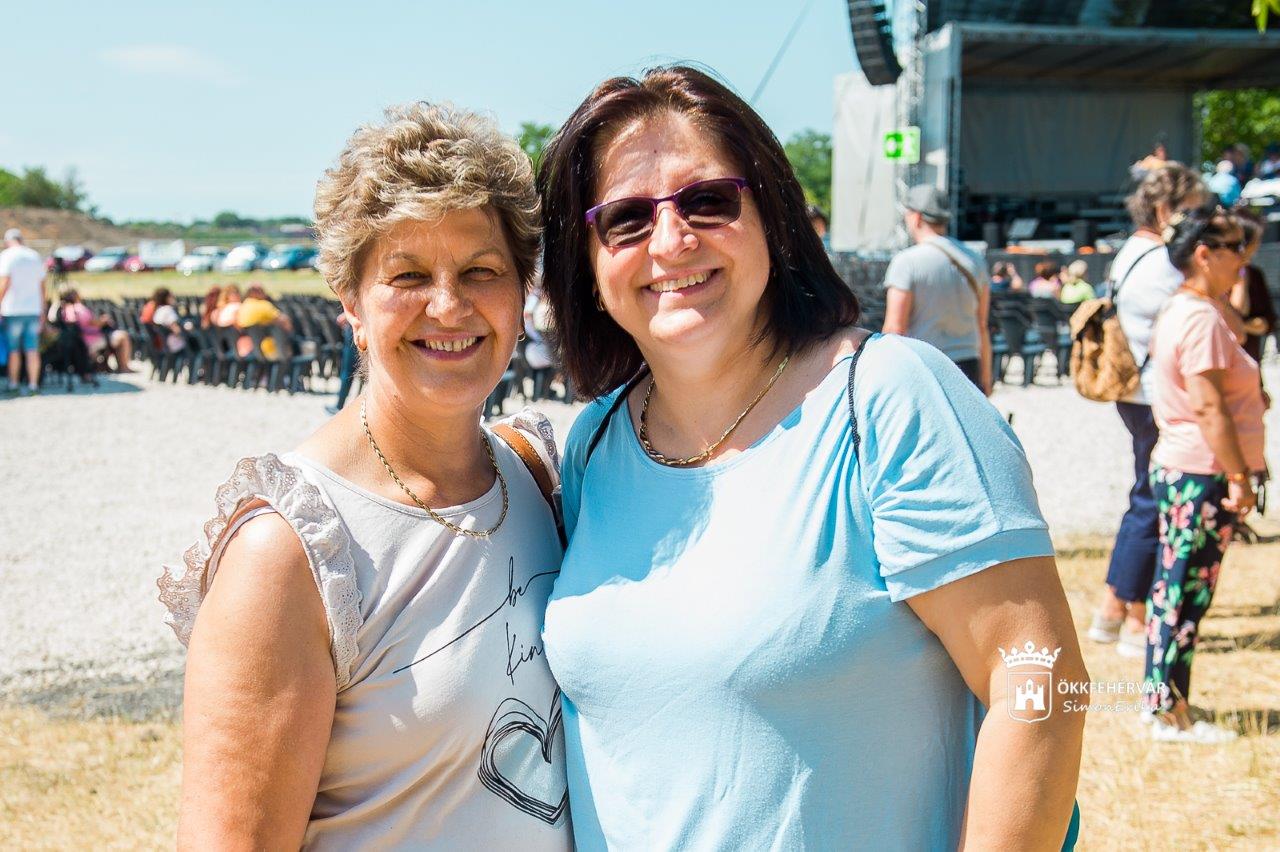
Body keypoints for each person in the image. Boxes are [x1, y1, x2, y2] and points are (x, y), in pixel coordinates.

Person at [537, 65, 1085, 850]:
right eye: (625, 219)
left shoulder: (888, 396)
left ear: (774, 218)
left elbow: (1041, 677)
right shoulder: (595, 444)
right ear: (587, 268)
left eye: (708, 200)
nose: (672, 240)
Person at [158, 102, 571, 848]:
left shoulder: (537, 475)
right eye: (408, 275)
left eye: (480, 271)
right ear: (351, 301)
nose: (448, 305)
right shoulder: (294, 552)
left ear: (521, 295)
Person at [1144, 205, 1267, 743]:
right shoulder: (1198, 318)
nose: (1242, 259)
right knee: (1183, 592)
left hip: (1188, 466)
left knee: (1177, 588)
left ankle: (1165, 702)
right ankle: (1166, 710)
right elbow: (1209, 407)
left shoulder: (1192, 309)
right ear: (1203, 255)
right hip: (1201, 471)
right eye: (1234, 248)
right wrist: (1238, 475)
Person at [1088, 163, 1207, 656]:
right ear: (1164, 210)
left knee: (1145, 496)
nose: (1200, 223)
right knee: (1155, 502)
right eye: (1192, 211)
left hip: (1138, 394)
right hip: (1157, 397)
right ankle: (1133, 615)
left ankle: (1114, 608)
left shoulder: (1131, 253)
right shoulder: (1161, 262)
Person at [881, 184, 992, 394]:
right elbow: (982, 324)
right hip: (969, 367)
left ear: (916, 217)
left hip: (925, 367)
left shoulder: (906, 262)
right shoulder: (975, 260)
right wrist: (986, 376)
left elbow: (895, 329)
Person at [1, 228, 48, 395]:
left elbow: (4, 283)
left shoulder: (7, 256)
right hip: (33, 309)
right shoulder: (34, 256)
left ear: (7, 241)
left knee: (14, 350)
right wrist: (43, 310)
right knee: (32, 349)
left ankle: (13, 384)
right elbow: (42, 287)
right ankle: (33, 385)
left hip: (12, 309)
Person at [1230, 211, 1277, 371]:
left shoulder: (1255, 275)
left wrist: (1241, 326)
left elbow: (1267, 322)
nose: (1257, 245)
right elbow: (1238, 312)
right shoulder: (1217, 278)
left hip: (1252, 364)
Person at [52, 288, 132, 370]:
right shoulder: (78, 308)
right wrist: (104, 320)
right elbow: (91, 322)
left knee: (114, 336)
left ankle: (109, 365)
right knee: (123, 336)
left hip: (79, 340)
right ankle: (123, 367)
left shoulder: (63, 309)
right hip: (90, 339)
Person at [234, 284, 293, 358]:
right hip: (269, 348)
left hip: (250, 349)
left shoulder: (243, 306)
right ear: (255, 293)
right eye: (261, 291)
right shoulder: (263, 305)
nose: (264, 293)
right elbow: (284, 319)